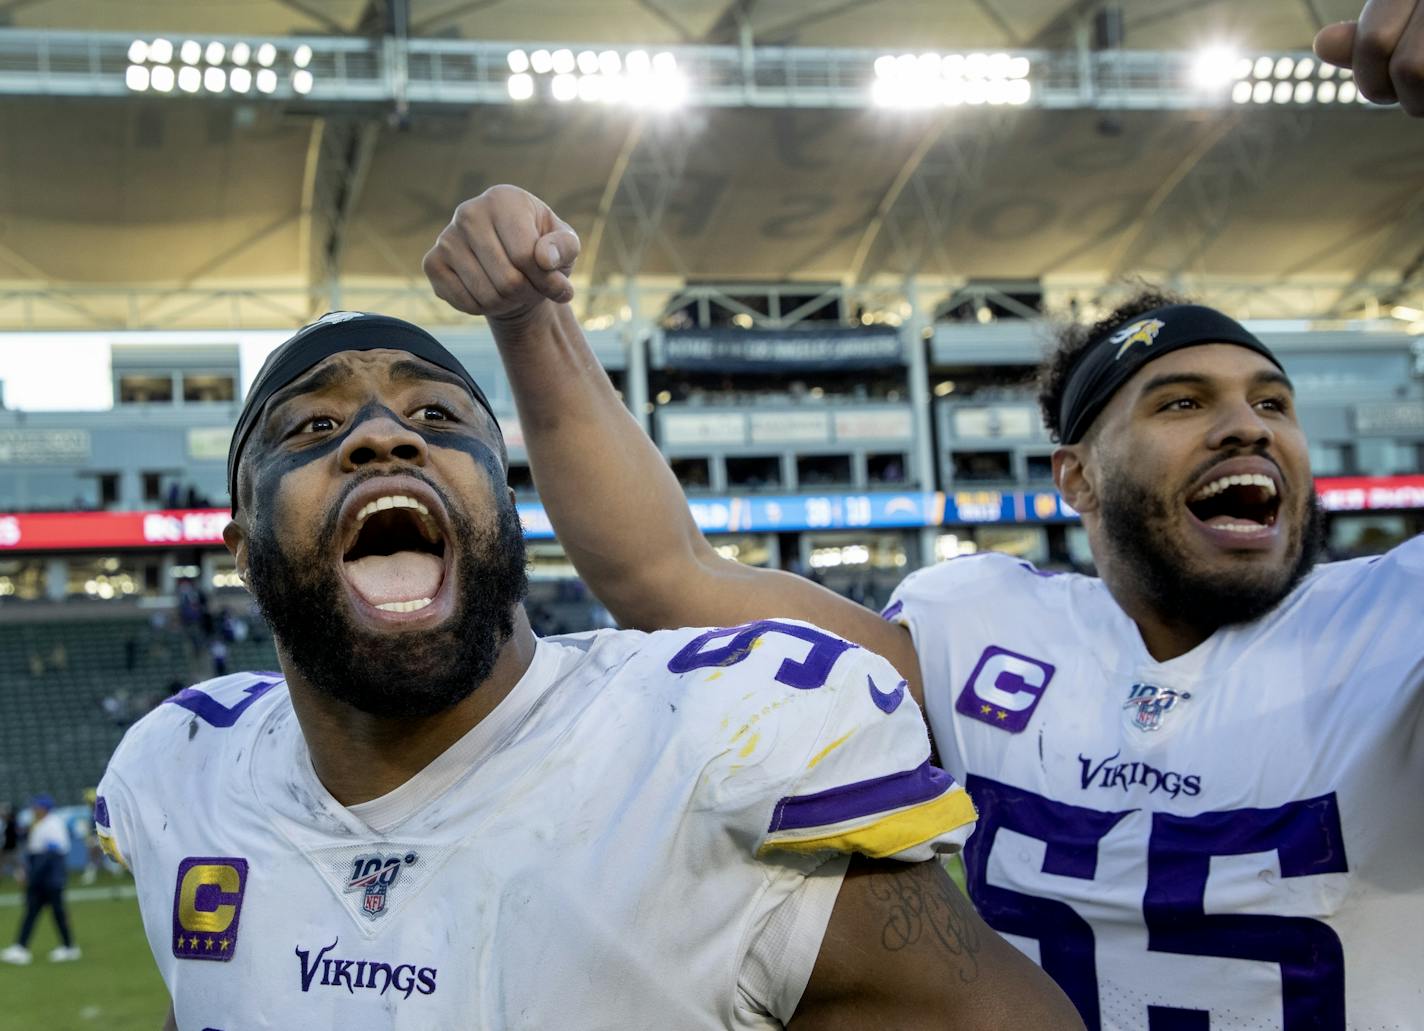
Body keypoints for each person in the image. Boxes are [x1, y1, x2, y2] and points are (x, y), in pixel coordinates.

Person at [418, 10, 1424, 1027]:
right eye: (1179, 401)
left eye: (1272, 402)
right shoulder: (986, 630)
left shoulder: (1394, 620)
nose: (1244, 428)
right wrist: (529, 314)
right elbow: (663, 575)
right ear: (1073, 478)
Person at [93, 313, 1078, 1028]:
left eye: (438, 415)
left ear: (499, 509)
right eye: (309, 427)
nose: (382, 434)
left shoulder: (705, 749)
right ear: (237, 544)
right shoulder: (185, 772)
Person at [1, 794, 80, 965]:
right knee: (32, 911)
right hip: (44, 876)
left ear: (44, 808)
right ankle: (21, 947)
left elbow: (51, 854)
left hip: (49, 878)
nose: (33, 809)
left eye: (36, 807)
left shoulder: (52, 824)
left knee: (56, 912)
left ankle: (68, 947)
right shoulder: (41, 823)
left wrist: (33, 876)